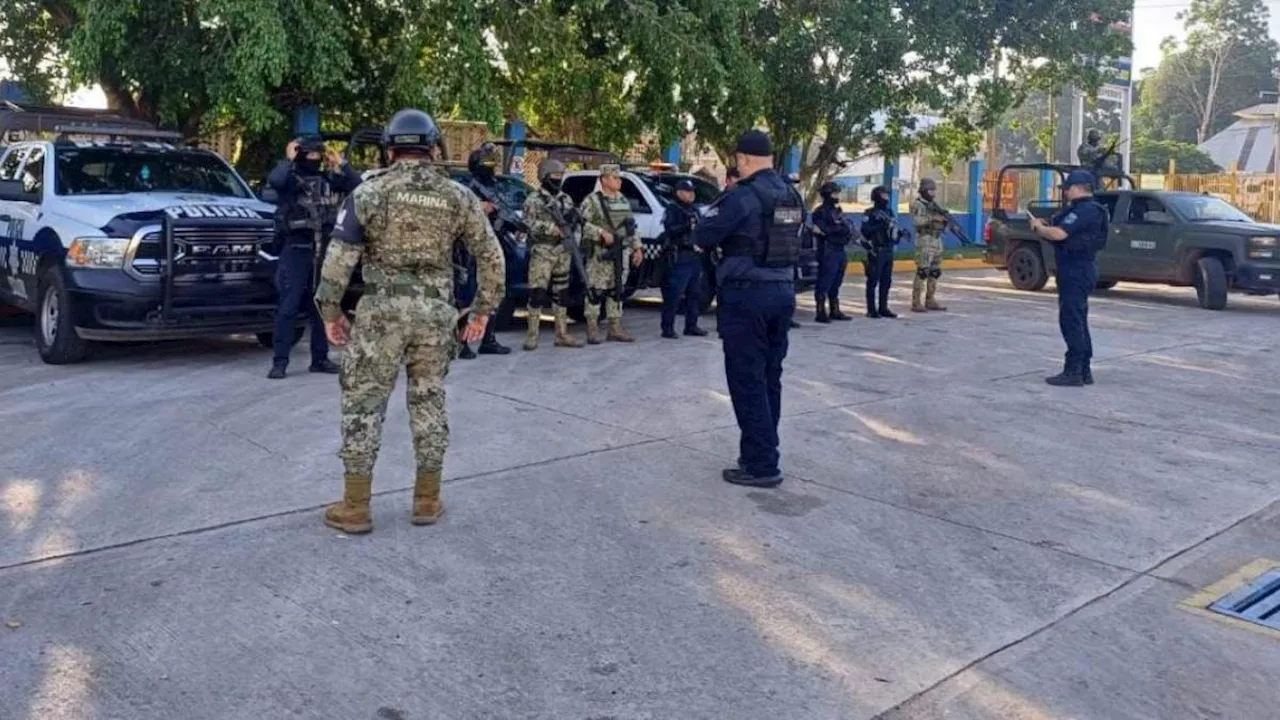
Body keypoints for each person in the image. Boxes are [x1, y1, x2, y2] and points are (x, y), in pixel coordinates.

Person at [312, 108, 505, 533]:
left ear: (389, 147)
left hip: (380, 313)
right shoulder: (457, 196)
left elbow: (338, 260)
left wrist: (330, 312)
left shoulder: (368, 193)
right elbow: (491, 256)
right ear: (434, 148)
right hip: (436, 316)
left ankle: (357, 506)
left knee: (363, 403)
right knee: (429, 400)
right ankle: (426, 500)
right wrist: (483, 310)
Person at [693, 129, 802, 488]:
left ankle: (761, 464)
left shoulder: (741, 197)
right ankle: (761, 450)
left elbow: (703, 236)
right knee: (770, 377)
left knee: (746, 380)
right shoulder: (790, 194)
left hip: (747, 296)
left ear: (742, 160)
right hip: (783, 292)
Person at [265, 135, 362, 379]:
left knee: (322, 306)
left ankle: (319, 359)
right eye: (309, 154)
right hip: (296, 249)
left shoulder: (329, 178)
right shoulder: (289, 178)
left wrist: (341, 162)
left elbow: (358, 185)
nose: (315, 159)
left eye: (318, 155)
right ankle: (280, 362)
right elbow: (275, 180)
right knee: (288, 306)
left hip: (323, 250)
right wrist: (287, 159)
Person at [1028, 169, 1108, 387]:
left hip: (1076, 269)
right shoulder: (1085, 210)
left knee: (1071, 320)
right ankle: (1083, 370)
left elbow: (1059, 234)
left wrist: (1040, 228)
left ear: (1079, 188)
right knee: (1078, 318)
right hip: (1078, 268)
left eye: (1068, 188)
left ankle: (1074, 371)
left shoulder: (1085, 210)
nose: (1065, 193)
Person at [521, 159, 602, 349]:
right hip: (543, 251)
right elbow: (527, 224)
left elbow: (575, 222)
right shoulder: (534, 200)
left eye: (560, 176)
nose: (558, 180)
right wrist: (551, 228)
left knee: (562, 294)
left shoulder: (565, 199)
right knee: (537, 294)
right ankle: (532, 335)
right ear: (545, 177)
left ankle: (561, 334)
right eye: (554, 176)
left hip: (563, 251)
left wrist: (573, 235)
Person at [453, 142, 511, 358]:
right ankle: (463, 343)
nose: (490, 168)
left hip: (491, 246)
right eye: (486, 164)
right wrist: (481, 207)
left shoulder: (494, 186)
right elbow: (458, 215)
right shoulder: (466, 188)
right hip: (468, 250)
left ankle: (488, 339)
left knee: (493, 291)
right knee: (466, 295)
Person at [578, 164, 643, 344]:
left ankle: (614, 327)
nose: (619, 181)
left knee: (617, 291)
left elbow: (630, 226)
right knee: (596, 291)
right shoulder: (592, 201)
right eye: (615, 178)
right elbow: (582, 224)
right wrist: (600, 233)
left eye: (619, 178)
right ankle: (592, 328)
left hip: (619, 253)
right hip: (600, 253)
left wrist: (637, 248)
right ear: (604, 179)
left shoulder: (622, 200)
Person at [659, 179, 707, 338]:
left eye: (692, 191)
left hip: (695, 256)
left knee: (695, 293)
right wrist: (687, 226)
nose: (691, 194)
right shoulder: (673, 209)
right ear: (679, 192)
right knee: (674, 294)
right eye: (687, 191)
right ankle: (667, 327)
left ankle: (691, 325)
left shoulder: (695, 209)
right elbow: (669, 230)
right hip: (680, 255)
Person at [810, 181, 854, 322]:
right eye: (834, 193)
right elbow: (823, 230)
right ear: (827, 195)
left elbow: (847, 230)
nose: (837, 196)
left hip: (839, 249)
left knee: (837, 281)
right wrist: (836, 230)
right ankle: (820, 311)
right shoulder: (820, 212)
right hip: (827, 250)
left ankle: (835, 310)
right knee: (825, 281)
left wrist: (836, 230)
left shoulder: (837, 211)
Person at [859, 185, 899, 319]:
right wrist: (879, 225)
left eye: (887, 195)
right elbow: (865, 231)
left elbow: (893, 229)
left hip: (888, 249)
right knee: (873, 280)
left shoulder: (889, 212)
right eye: (884, 195)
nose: (886, 198)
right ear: (877, 196)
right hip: (876, 250)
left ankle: (883, 307)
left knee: (886, 281)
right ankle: (871, 309)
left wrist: (897, 234)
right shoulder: (869, 213)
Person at [909, 178, 948, 312]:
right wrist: (933, 218)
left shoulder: (934, 205)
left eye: (933, 190)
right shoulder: (918, 204)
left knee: (935, 271)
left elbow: (942, 218)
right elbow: (916, 221)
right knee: (922, 271)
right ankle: (916, 302)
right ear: (924, 190)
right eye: (930, 190)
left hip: (936, 239)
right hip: (925, 239)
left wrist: (944, 219)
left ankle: (930, 299)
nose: (933, 193)